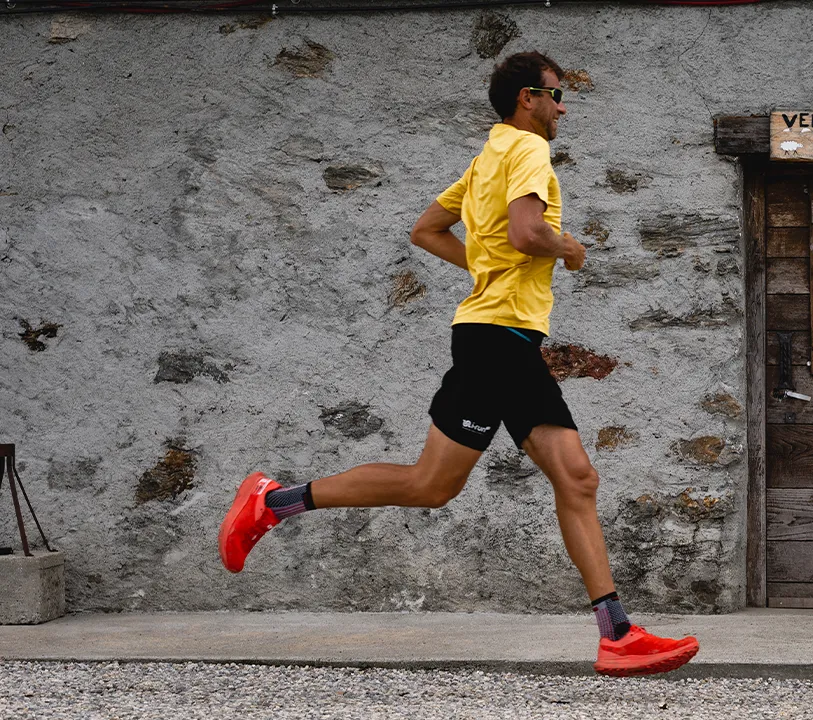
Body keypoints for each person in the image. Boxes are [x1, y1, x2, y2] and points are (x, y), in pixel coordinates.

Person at [217, 50, 699, 678]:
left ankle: (616, 635)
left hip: (502, 338)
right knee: (448, 484)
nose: (562, 107)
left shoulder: (485, 160)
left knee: (544, 480)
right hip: (497, 339)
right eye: (556, 95)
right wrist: (571, 249)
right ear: (527, 98)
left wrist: (487, 270)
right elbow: (528, 233)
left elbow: (427, 229)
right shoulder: (526, 150)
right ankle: (273, 501)